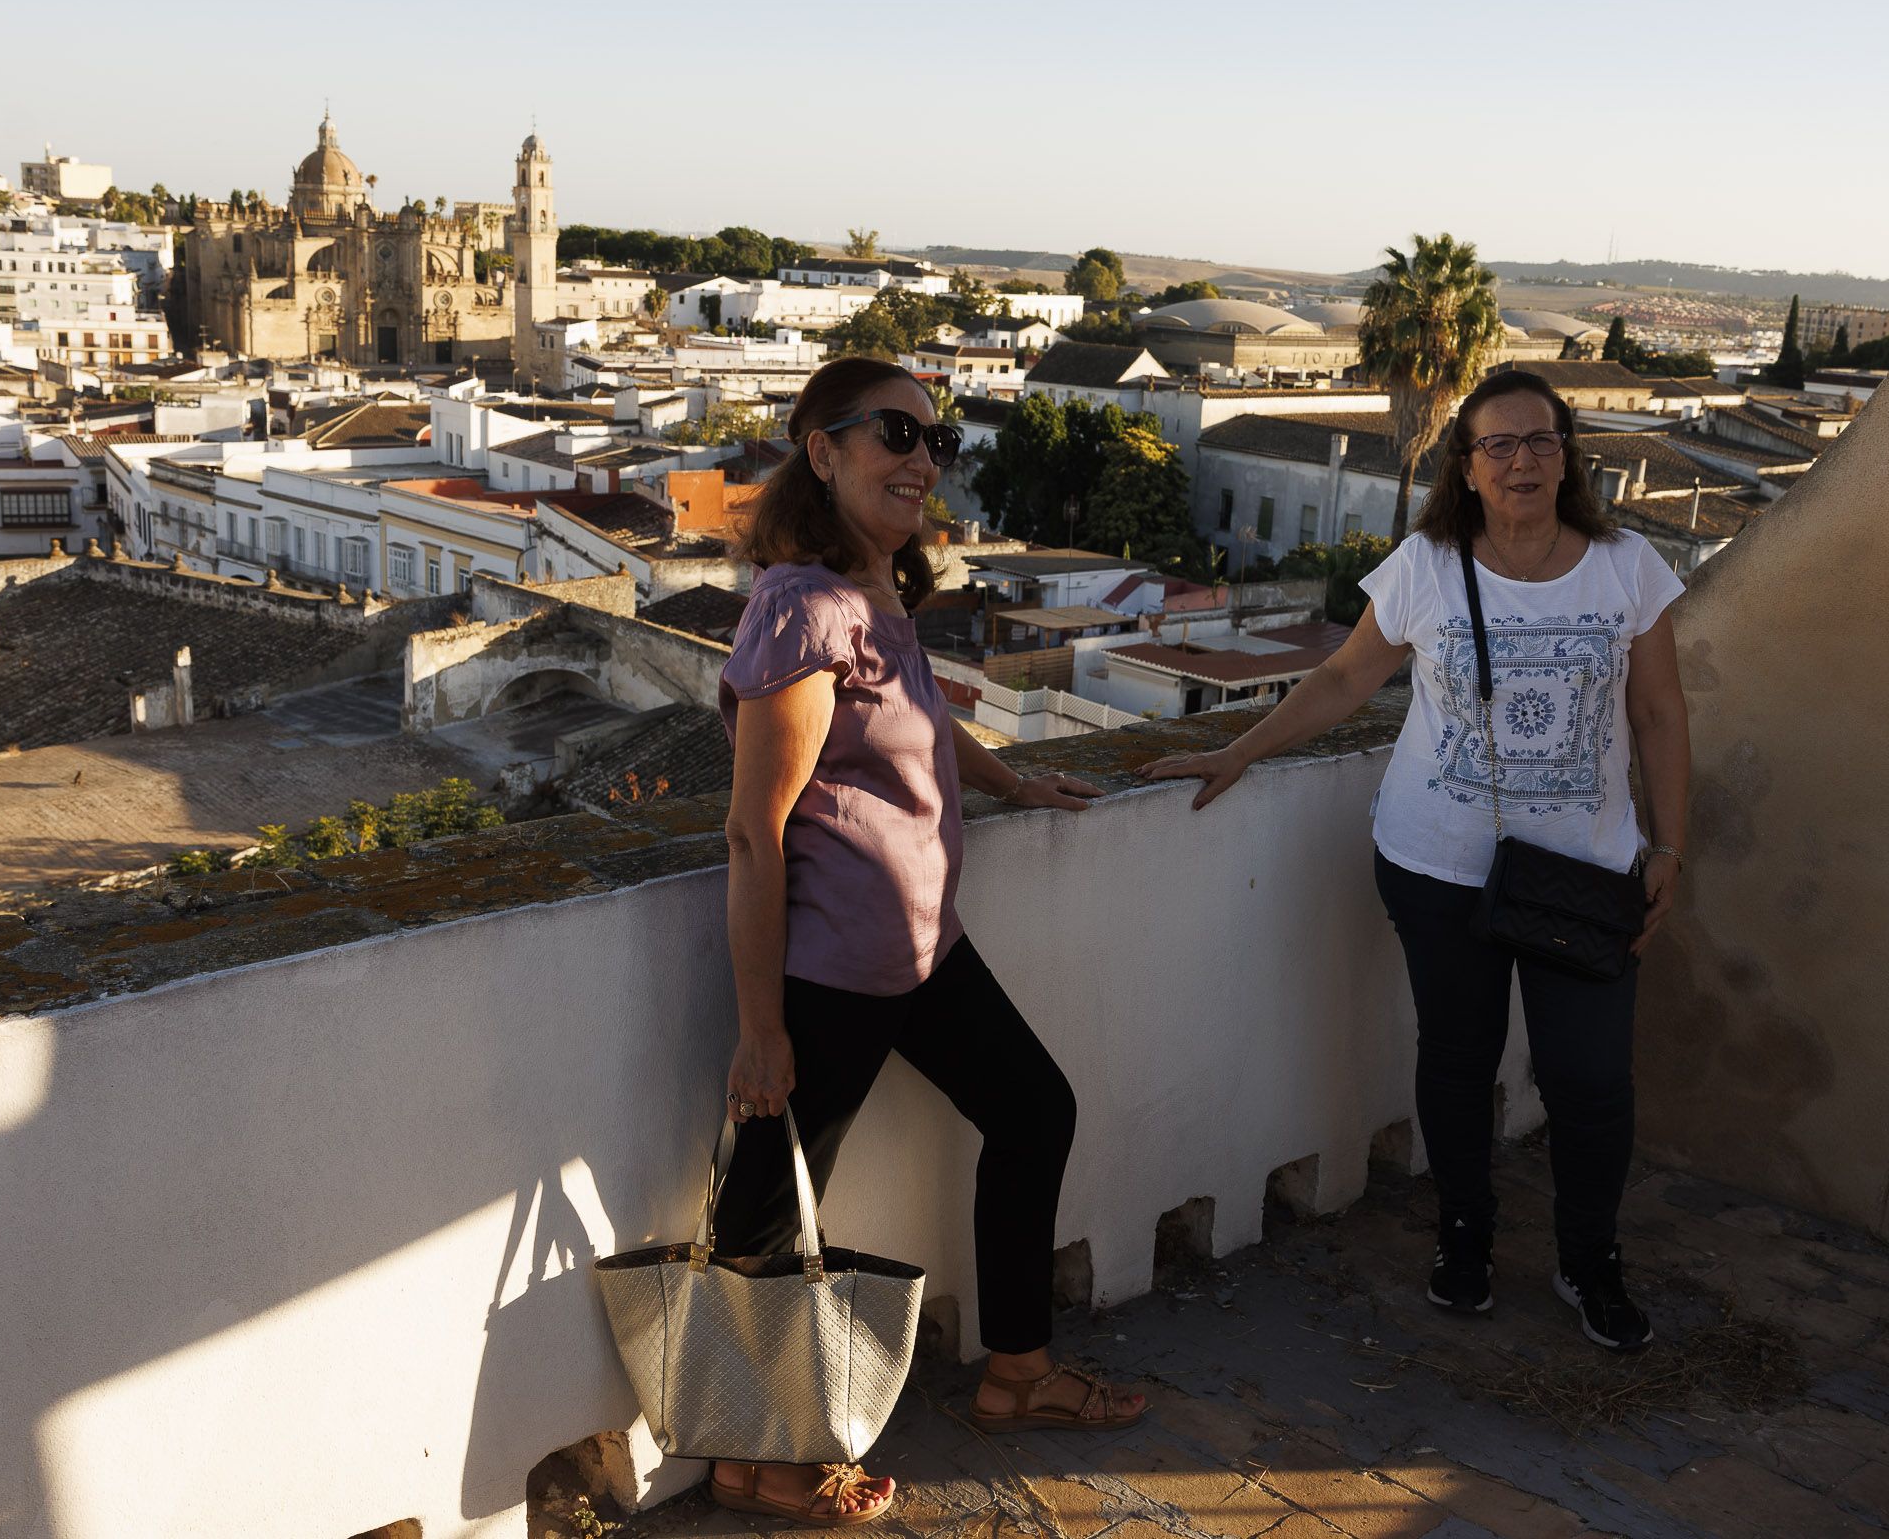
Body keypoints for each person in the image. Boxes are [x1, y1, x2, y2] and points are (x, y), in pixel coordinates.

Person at [1143, 369, 1692, 1352]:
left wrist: (1670, 847)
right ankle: (1464, 1236)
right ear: (1467, 468)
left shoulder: (1627, 567)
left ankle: (1589, 1259)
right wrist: (1239, 750)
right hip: (1439, 866)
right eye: (1500, 445)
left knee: (1590, 1081)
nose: (1523, 460)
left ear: (1568, 455)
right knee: (1457, 1059)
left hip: (1585, 872)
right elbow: (1345, 676)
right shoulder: (1427, 567)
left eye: (1542, 439)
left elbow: (1658, 713)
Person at [705, 357, 1147, 1527]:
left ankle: (1017, 1374)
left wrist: (1012, 780)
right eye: (894, 433)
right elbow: (753, 830)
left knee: (1034, 1110)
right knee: (769, 1209)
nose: (921, 459)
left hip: (919, 949)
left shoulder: (875, 591)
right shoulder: (803, 606)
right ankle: (760, 1459)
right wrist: (761, 1029)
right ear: (822, 451)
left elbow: (921, 722)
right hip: (834, 967)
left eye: (935, 440)